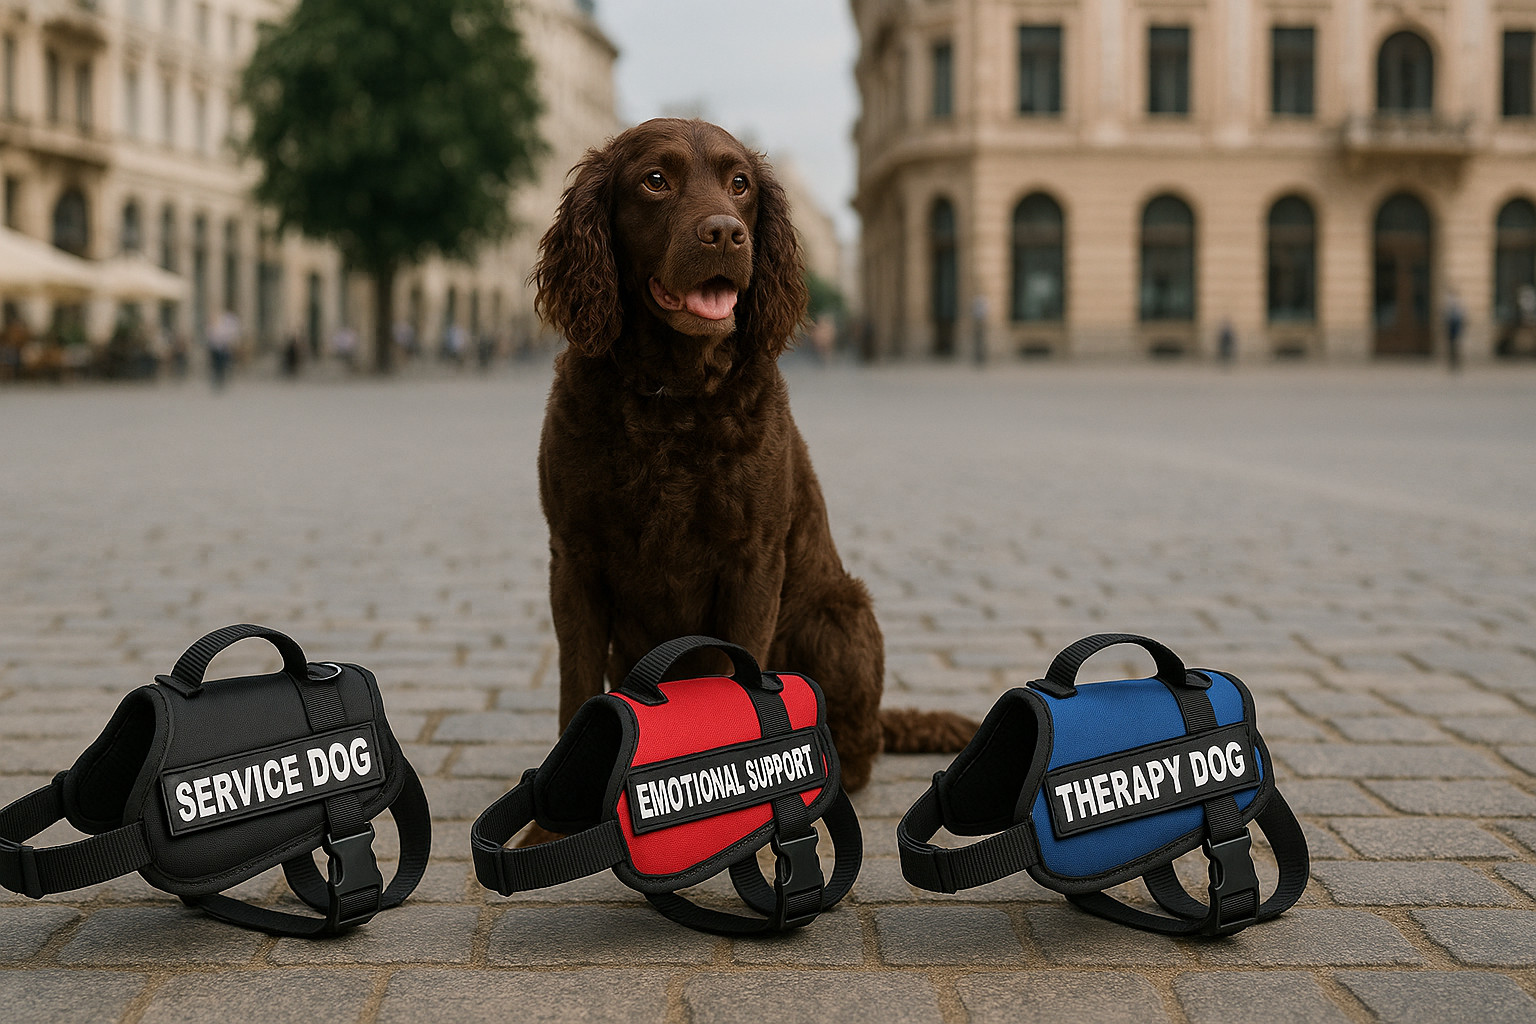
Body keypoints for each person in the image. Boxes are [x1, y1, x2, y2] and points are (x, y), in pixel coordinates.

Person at [207, 310, 239, 389]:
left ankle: (221, 380)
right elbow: (210, 338)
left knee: (221, 366)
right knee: (216, 367)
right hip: (215, 350)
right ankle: (217, 380)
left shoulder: (223, 326)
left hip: (222, 350)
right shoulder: (212, 327)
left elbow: (227, 337)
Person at [1443, 288, 1465, 372]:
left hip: (1455, 329)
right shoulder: (1449, 306)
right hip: (1451, 329)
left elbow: (1461, 319)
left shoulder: (1457, 306)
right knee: (1452, 347)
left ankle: (1456, 363)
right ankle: (1452, 363)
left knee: (1456, 346)